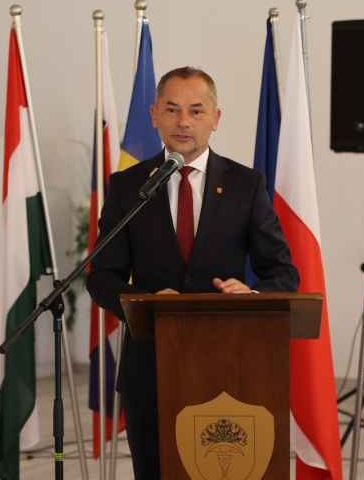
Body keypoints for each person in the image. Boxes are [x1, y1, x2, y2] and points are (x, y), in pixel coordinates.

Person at [87, 66, 300, 479]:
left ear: (215, 118)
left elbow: (283, 272)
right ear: (154, 115)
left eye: (196, 110)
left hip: (231, 364)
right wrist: (144, 304)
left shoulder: (245, 185)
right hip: (150, 366)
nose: (183, 121)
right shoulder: (128, 186)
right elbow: (102, 277)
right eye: (172, 109)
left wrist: (250, 296)